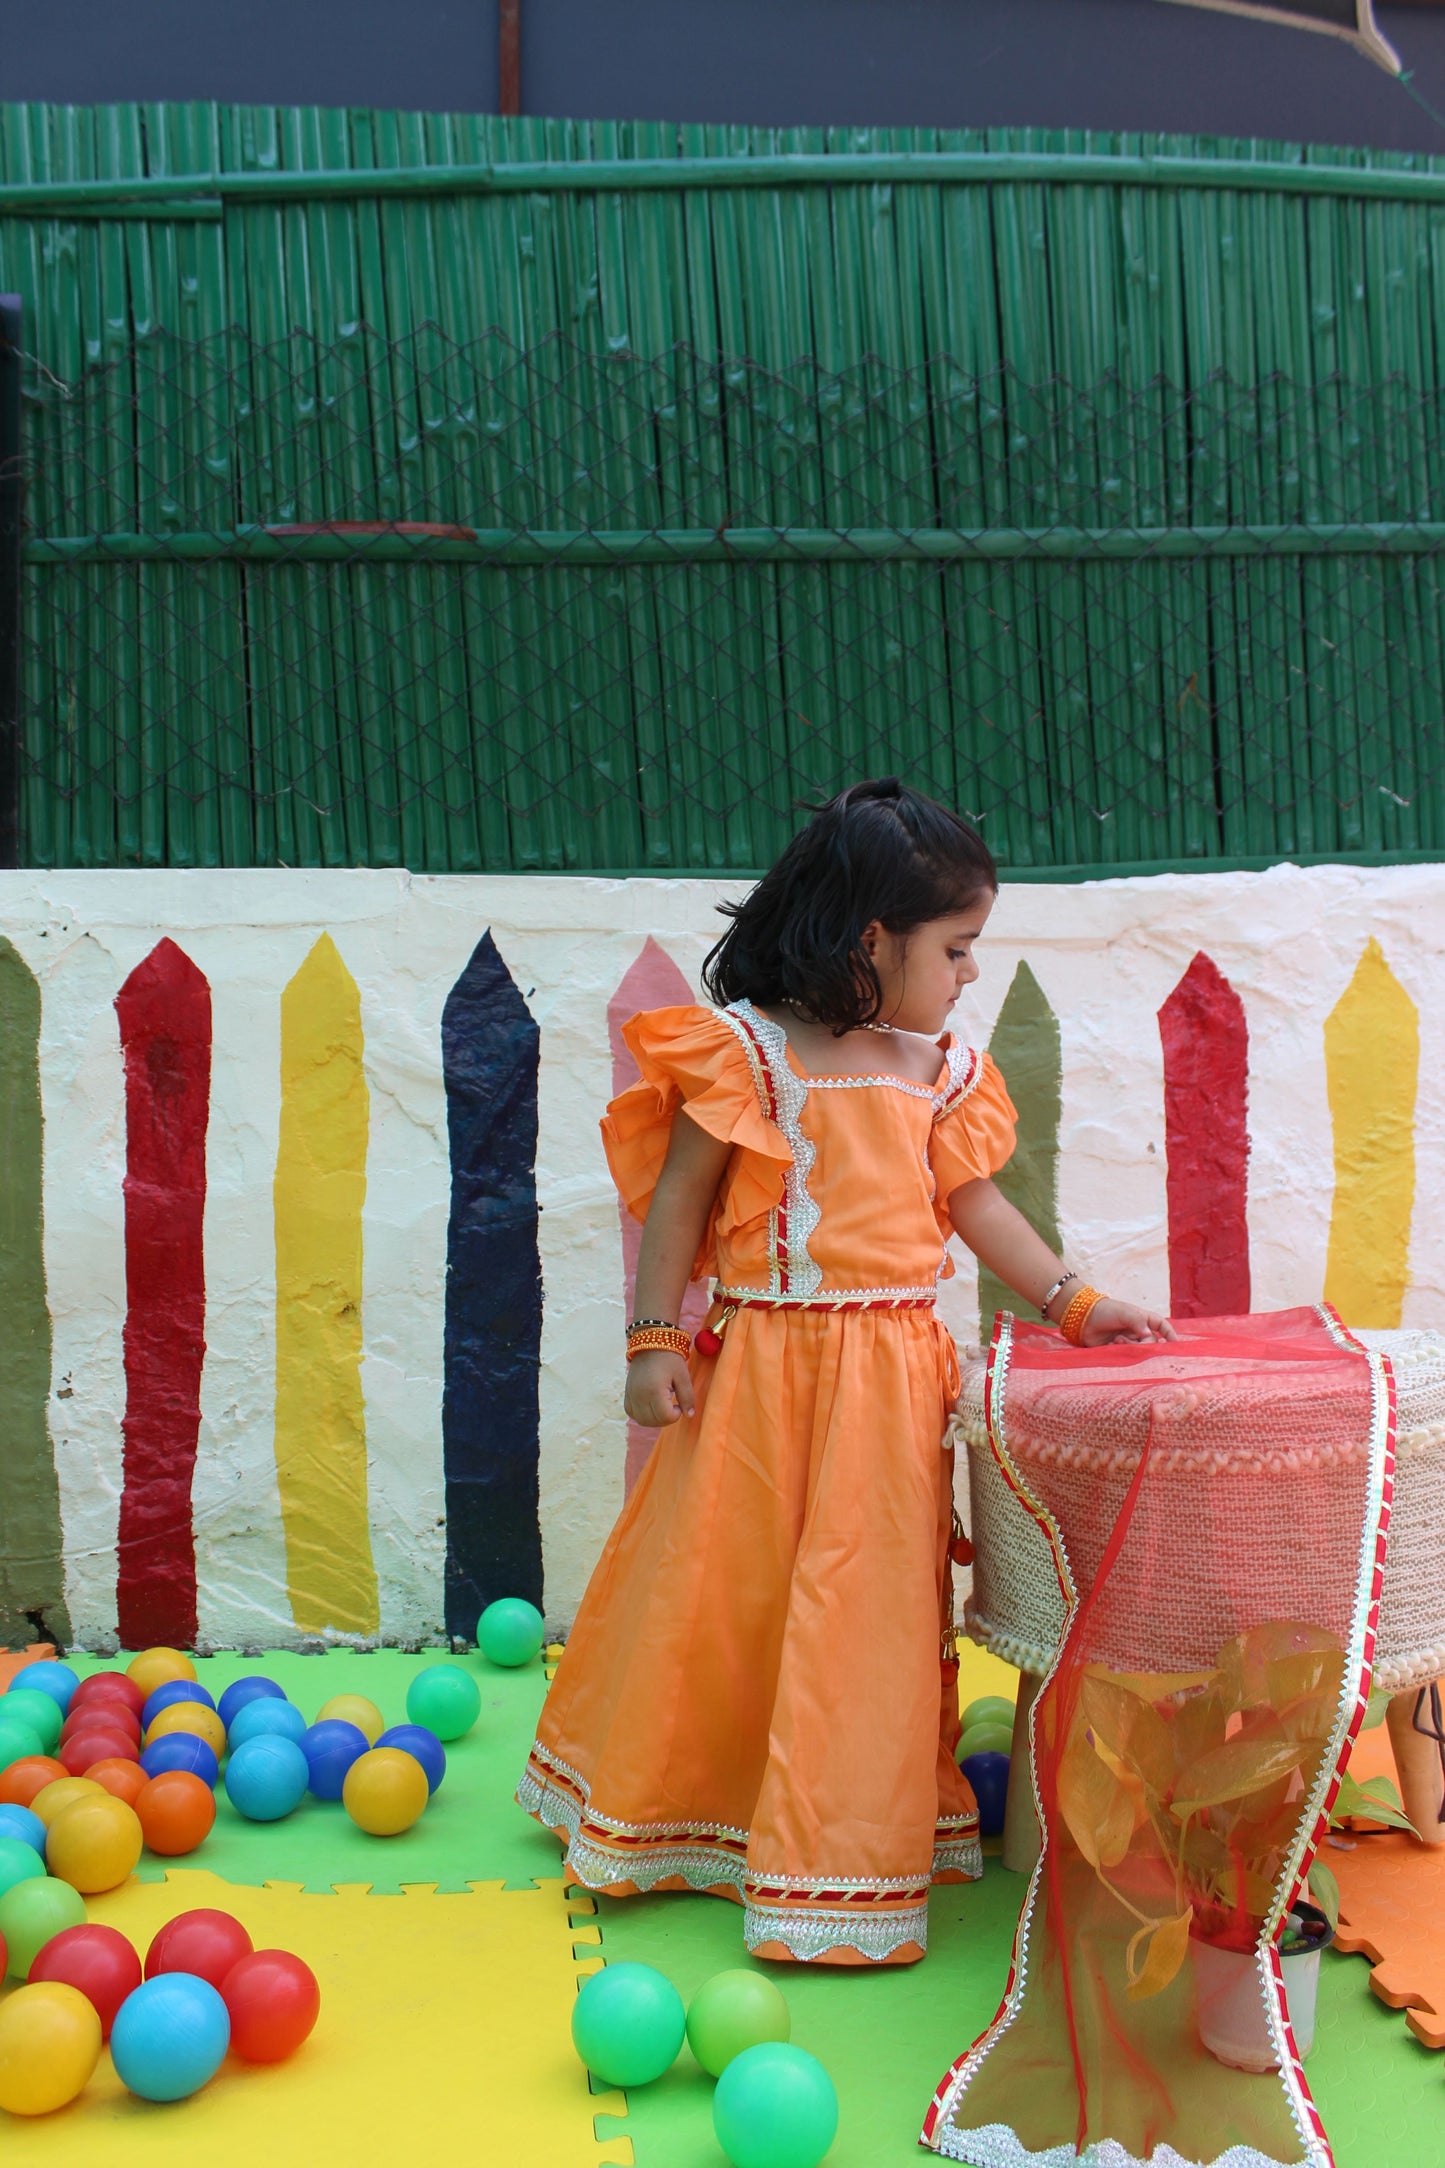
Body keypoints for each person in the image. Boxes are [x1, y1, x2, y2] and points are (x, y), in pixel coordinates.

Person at [517, 778, 1173, 1964]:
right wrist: (653, 1337)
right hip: (760, 1378)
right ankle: (685, 1807)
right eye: (957, 947)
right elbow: (678, 1202)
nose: (970, 972)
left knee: (862, 1611)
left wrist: (1074, 1300)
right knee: (722, 1590)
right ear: (873, 939)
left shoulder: (935, 1071)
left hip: (885, 1386)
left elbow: (974, 1205)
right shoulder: (748, 1057)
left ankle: (838, 1850)